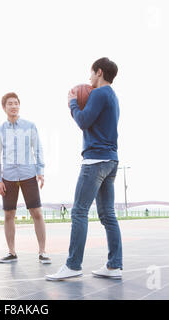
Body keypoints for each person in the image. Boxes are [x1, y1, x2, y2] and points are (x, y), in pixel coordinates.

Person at [46, 57, 123, 280]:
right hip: (111, 160)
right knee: (108, 215)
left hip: (95, 160)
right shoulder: (114, 97)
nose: (89, 78)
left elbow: (83, 121)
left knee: (79, 211)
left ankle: (73, 265)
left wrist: (72, 102)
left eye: (91, 73)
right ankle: (114, 265)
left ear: (99, 72)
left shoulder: (99, 93)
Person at [0, 92, 51, 264]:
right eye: (10, 103)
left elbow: (38, 149)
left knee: (36, 212)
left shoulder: (30, 126)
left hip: (28, 174)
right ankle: (11, 252)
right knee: (9, 214)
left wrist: (40, 171)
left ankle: (43, 252)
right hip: (8, 177)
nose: (14, 106)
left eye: (16, 103)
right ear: (4, 107)